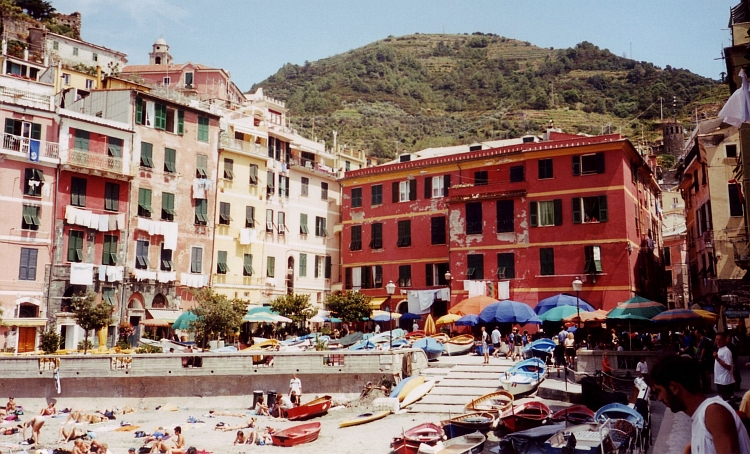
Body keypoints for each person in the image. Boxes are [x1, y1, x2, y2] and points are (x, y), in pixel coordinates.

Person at [651, 355, 750, 454]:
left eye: (659, 391)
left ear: (674, 388)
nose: (659, 398)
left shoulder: (713, 413)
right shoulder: (702, 416)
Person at [713, 332, 735, 401]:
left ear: (725, 340)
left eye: (720, 340)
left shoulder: (727, 351)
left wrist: (717, 358)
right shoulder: (719, 349)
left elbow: (728, 366)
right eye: (717, 339)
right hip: (720, 380)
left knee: (727, 401)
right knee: (723, 400)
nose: (718, 341)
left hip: (725, 380)